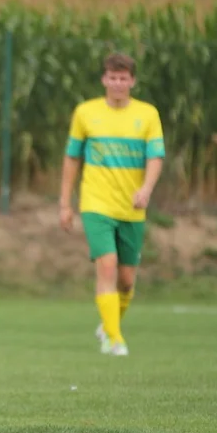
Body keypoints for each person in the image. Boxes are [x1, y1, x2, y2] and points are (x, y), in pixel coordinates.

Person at [59, 52, 165, 357]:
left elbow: (155, 157)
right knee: (106, 266)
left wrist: (146, 189)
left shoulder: (147, 114)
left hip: (132, 208)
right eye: (112, 77)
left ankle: (108, 323)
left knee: (127, 280)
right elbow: (71, 159)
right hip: (96, 204)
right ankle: (114, 339)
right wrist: (65, 204)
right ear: (104, 79)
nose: (118, 83)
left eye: (123, 78)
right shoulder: (85, 113)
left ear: (132, 81)